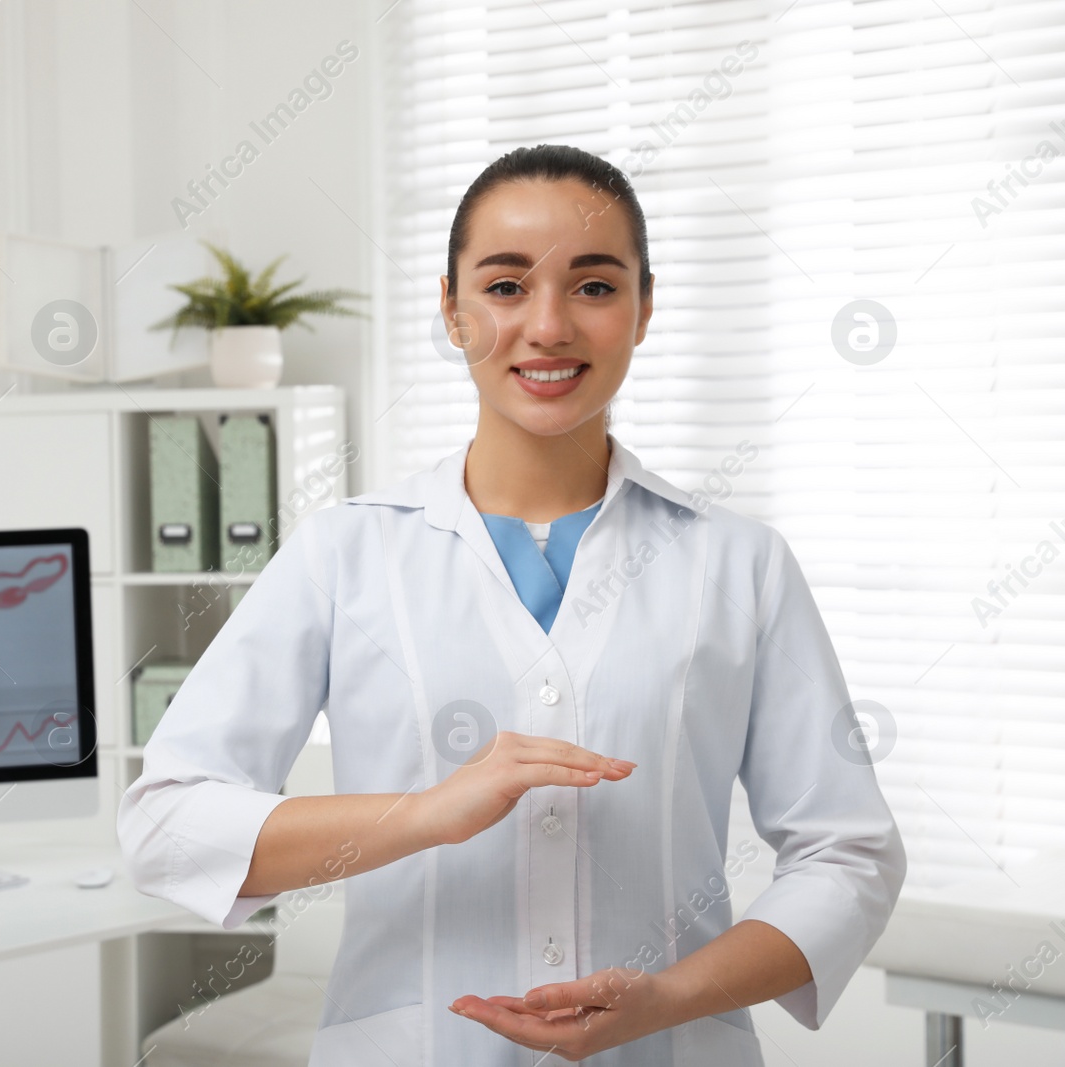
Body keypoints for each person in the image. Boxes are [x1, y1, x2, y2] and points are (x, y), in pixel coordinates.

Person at [117, 144, 906, 1066]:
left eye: (595, 287)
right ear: (451, 309)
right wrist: (424, 812)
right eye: (502, 286)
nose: (547, 325)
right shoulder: (347, 552)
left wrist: (668, 997)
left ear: (646, 307)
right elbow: (167, 825)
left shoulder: (740, 564)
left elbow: (849, 854)